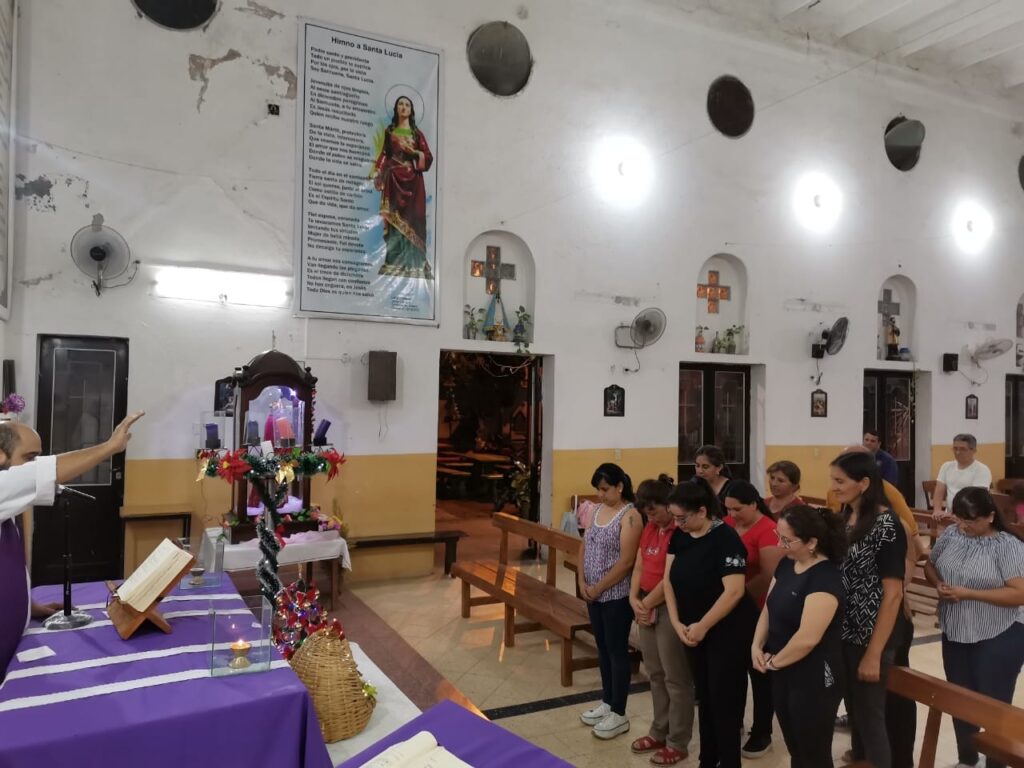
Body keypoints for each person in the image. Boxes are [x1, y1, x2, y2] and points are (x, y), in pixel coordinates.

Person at [1, 412, 144, 682]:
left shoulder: (10, 504)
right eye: (30, 458)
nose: (36, 465)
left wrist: (28, 606)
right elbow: (44, 473)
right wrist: (110, 447)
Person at [826, 445, 921, 765]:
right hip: (845, 629)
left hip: (872, 634)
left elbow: (893, 593)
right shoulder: (846, 517)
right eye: (833, 480)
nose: (834, 487)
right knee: (857, 717)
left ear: (863, 483)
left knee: (871, 718)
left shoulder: (886, 525)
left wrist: (874, 653)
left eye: (840, 481)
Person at [924, 487, 1024, 768]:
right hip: (955, 631)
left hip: (999, 633)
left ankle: (996, 763)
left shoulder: (1007, 545)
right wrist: (938, 583)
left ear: (990, 516)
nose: (964, 526)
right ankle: (967, 760)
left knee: (993, 705)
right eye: (960, 519)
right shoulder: (954, 534)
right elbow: (930, 565)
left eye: (971, 520)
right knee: (961, 700)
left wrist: (969, 594)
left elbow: (1019, 593)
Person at [664, 477, 757, 768]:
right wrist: (678, 623)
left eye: (682, 517)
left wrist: (702, 626)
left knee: (724, 701)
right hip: (691, 628)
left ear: (702, 511)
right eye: (674, 517)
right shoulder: (680, 536)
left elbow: (734, 591)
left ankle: (729, 762)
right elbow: (668, 581)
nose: (677, 523)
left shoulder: (725, 538)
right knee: (704, 697)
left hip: (726, 630)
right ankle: (708, 759)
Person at [752, 505, 847, 768]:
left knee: (813, 751)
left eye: (787, 540)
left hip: (814, 675)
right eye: (778, 536)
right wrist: (756, 645)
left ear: (812, 542)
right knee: (795, 747)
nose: (780, 545)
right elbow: (769, 607)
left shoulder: (825, 578)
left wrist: (773, 662)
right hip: (783, 668)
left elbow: (807, 638)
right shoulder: (787, 564)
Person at [628, 475, 694, 766]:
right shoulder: (651, 527)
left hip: (669, 606)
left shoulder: (680, 532)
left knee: (675, 677)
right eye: (645, 512)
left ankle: (678, 741)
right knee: (654, 672)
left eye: (653, 510)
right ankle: (659, 729)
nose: (649, 516)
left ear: (668, 505)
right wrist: (633, 597)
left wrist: (646, 603)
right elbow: (641, 562)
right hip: (645, 602)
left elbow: (672, 577)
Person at [577, 463, 643, 740]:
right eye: (597, 490)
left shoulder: (631, 516)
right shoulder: (596, 510)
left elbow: (627, 561)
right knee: (601, 647)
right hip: (592, 591)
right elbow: (584, 544)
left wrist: (600, 587)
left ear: (619, 486)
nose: (600, 495)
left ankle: (619, 712)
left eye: (605, 489)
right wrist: (582, 582)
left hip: (615, 595)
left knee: (616, 650)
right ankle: (607, 701)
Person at [723, 480, 783, 758]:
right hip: (728, 609)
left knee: (758, 673)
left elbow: (769, 576)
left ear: (753, 504)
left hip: (756, 610)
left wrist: (736, 596)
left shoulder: (768, 530)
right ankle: (733, 722)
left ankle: (762, 731)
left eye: (737, 509)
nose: (732, 514)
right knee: (731, 671)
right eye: (728, 509)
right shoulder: (727, 524)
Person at [372, 95, 434, 280]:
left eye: (407, 105)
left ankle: (416, 264)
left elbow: (428, 157)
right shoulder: (390, 132)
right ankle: (394, 263)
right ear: (397, 109)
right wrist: (378, 171)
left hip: (414, 182)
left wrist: (415, 153)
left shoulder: (417, 134)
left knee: (415, 221)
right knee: (394, 225)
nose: (404, 107)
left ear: (411, 110)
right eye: (401, 104)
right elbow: (384, 154)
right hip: (393, 181)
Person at [932, 434, 992, 520]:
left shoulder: (982, 470)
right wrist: (937, 510)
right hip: (948, 516)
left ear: (973, 450)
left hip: (971, 518)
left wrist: (957, 516)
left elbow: (977, 498)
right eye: (955, 449)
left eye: (962, 449)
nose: (958, 452)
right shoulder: (946, 466)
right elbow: (939, 491)